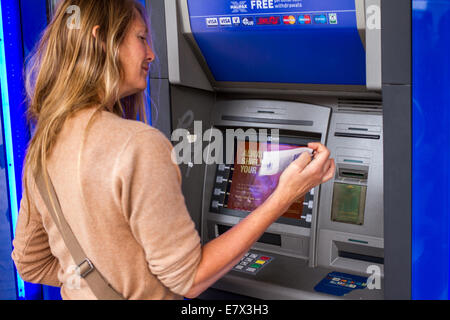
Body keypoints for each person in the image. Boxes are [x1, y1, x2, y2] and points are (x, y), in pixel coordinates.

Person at [11, 0, 335, 300]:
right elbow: (190, 279)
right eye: (141, 38)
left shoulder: (45, 145)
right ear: (102, 40)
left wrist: (96, 278)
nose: (151, 53)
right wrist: (285, 195)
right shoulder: (138, 144)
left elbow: (30, 263)